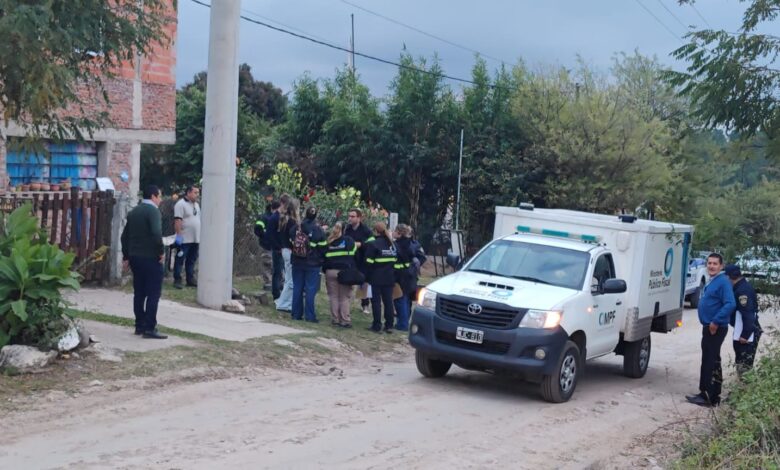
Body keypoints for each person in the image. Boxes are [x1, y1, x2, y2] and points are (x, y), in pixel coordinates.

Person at [686, 253, 735, 407]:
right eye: (709, 263)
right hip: (709, 326)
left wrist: (715, 321)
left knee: (710, 361)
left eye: (715, 264)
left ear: (721, 266)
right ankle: (708, 393)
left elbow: (730, 304)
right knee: (711, 359)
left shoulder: (723, 282)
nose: (711, 266)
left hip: (715, 328)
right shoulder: (713, 280)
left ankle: (709, 396)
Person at [120, 185, 167, 339]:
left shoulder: (134, 211)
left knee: (139, 293)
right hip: (150, 256)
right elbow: (156, 233)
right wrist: (161, 251)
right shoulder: (153, 211)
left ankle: (139, 325)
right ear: (153, 196)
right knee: (153, 293)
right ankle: (149, 327)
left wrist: (126, 256)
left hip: (135, 257)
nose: (160, 200)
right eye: (159, 196)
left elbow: (124, 236)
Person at [288, 206, 327, 322]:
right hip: (313, 264)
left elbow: (290, 242)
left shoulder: (296, 228)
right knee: (310, 290)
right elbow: (324, 249)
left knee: (297, 287)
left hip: (297, 262)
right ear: (315, 216)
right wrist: (320, 260)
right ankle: (310, 316)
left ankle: (296, 314)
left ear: (305, 214)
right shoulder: (318, 230)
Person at [724, 264, 762, 377]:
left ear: (729, 277)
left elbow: (748, 315)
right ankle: (742, 385)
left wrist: (745, 335)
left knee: (744, 364)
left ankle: (744, 387)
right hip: (743, 330)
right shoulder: (740, 287)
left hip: (747, 333)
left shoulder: (742, 291)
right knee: (741, 361)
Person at [323, 222, 357, 328]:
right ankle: (345, 320)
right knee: (344, 297)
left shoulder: (329, 241)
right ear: (345, 229)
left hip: (330, 271)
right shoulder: (349, 241)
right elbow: (354, 254)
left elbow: (324, 257)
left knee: (333, 296)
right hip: (344, 272)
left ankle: (335, 319)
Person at [365, 222, 397, 333]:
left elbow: (368, 263)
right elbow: (395, 261)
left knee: (376, 302)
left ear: (375, 231)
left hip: (376, 278)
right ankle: (389, 325)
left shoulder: (373, 244)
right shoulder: (392, 245)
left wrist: (367, 277)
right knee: (388, 302)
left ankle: (377, 325)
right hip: (389, 277)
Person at [344, 208, 374, 314]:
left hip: (363, 259)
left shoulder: (366, 230)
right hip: (350, 259)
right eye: (349, 216)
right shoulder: (347, 229)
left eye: (352, 216)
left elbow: (372, 243)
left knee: (364, 282)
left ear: (359, 218)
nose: (350, 218)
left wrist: (361, 244)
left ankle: (365, 305)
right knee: (348, 280)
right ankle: (345, 303)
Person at [173, 185, 201, 289]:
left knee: (192, 259)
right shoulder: (180, 204)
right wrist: (179, 236)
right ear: (188, 193)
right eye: (195, 192)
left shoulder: (196, 205)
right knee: (180, 259)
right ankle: (177, 279)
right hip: (184, 238)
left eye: (198, 193)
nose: (197, 195)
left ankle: (190, 279)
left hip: (195, 238)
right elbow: (178, 220)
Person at [255, 201, 283, 299]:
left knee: (273, 265)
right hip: (266, 245)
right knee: (267, 263)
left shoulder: (275, 217)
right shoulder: (264, 217)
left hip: (273, 245)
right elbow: (257, 229)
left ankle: (274, 283)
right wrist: (265, 237)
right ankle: (268, 282)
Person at [392, 224, 416, 331]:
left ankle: (402, 324)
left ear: (399, 233)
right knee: (405, 299)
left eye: (395, 231)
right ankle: (403, 323)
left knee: (399, 299)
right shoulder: (410, 243)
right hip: (408, 275)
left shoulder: (397, 245)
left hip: (399, 276)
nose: (393, 232)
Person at [274, 195, 296, 312]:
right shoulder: (292, 222)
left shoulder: (283, 220)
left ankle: (284, 302)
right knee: (290, 281)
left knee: (288, 279)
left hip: (284, 250)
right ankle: (283, 304)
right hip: (289, 251)